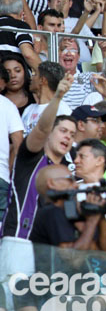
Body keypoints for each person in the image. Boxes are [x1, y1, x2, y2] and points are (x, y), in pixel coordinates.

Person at [2, 73, 74, 239]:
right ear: (50, 133)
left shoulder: (67, 169)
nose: (68, 137)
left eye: (72, 134)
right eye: (63, 131)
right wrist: (57, 98)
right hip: (19, 240)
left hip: (48, 251)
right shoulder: (30, 157)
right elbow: (41, 129)